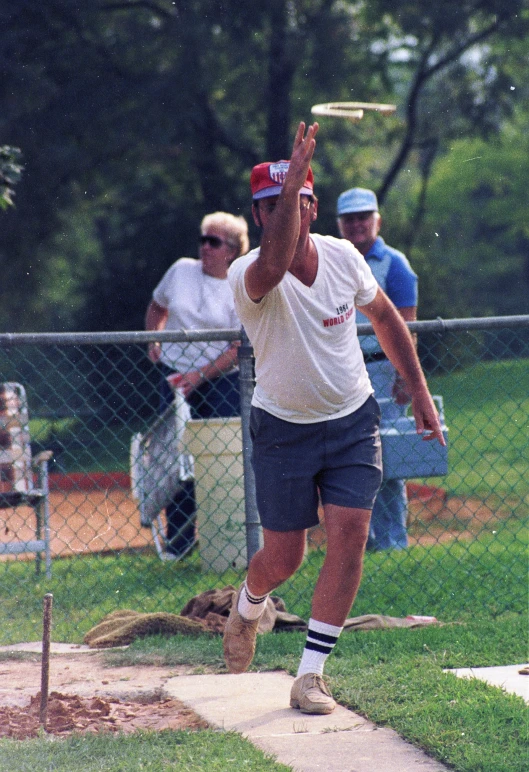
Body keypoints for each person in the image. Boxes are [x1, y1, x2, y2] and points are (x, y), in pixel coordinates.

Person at [224, 122, 445, 714]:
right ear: (258, 214)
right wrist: (294, 174)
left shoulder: (347, 258)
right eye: (272, 206)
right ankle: (248, 606)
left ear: (314, 206)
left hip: (352, 420)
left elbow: (385, 315)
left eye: (295, 201)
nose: (284, 214)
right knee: (285, 556)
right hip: (283, 428)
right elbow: (275, 261)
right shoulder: (247, 276)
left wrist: (418, 390)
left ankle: (310, 675)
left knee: (350, 535)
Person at [145, 211, 249, 558]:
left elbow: (238, 347)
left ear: (232, 250)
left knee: (221, 458)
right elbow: (157, 306)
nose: (205, 246)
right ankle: (180, 542)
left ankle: (225, 544)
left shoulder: (240, 283)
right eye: (203, 239)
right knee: (175, 458)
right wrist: (153, 339)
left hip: (221, 382)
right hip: (174, 375)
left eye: (214, 241)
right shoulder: (180, 270)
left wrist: (200, 375)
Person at [336, 188, 418, 551]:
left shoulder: (394, 264)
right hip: (341, 368)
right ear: (339, 224)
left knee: (387, 458)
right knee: (348, 458)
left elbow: (407, 326)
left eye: (363, 217)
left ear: (377, 220)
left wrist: (405, 377)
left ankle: (392, 540)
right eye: (349, 218)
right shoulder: (333, 260)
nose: (357, 225)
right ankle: (361, 541)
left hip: (383, 369)